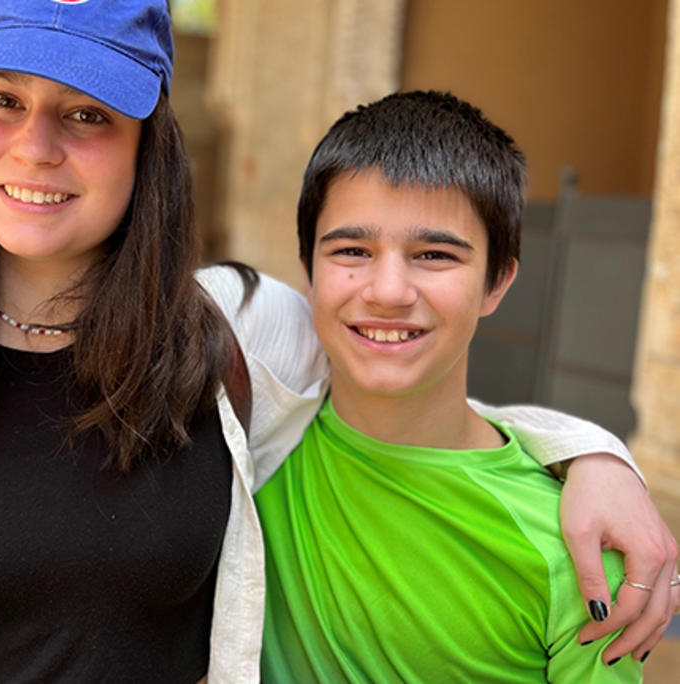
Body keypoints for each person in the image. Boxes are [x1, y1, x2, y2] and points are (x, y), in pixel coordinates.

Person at [0, 1, 676, 681]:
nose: (35, 147)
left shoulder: (239, 338)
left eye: (89, 115)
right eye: (3, 101)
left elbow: (406, 385)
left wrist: (595, 458)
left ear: (148, 149)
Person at [256, 91, 661, 682]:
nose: (388, 290)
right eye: (351, 250)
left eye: (434, 254)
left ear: (497, 282)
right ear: (308, 268)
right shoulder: (250, 448)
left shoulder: (579, 547)